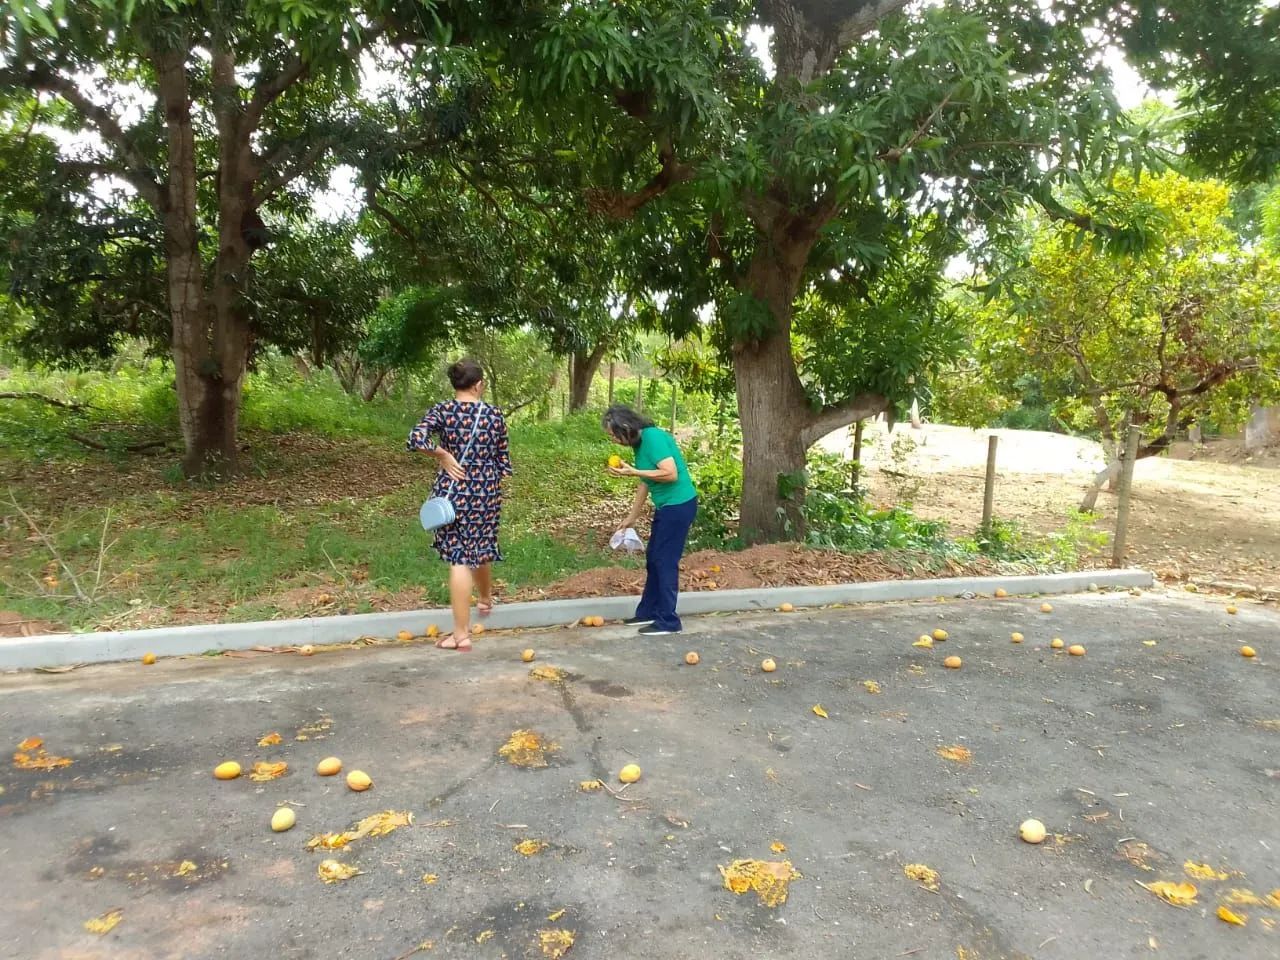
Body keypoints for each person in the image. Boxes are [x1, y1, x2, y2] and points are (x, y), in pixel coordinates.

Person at [407, 359, 512, 651]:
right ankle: (486, 597)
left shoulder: (443, 410)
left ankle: (461, 633)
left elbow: (416, 437)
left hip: (452, 493)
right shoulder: (494, 414)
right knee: (481, 545)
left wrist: (442, 454)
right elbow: (503, 460)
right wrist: (486, 480)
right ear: (479, 385)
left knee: (459, 559)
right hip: (486, 492)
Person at [604, 405, 698, 636]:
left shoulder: (653, 437)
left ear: (626, 427)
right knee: (653, 558)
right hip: (667, 506)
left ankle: (668, 621)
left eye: (615, 434)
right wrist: (631, 518)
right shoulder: (639, 444)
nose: (614, 440)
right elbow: (646, 483)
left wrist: (634, 472)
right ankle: (648, 611)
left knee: (665, 561)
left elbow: (670, 473)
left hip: (679, 505)